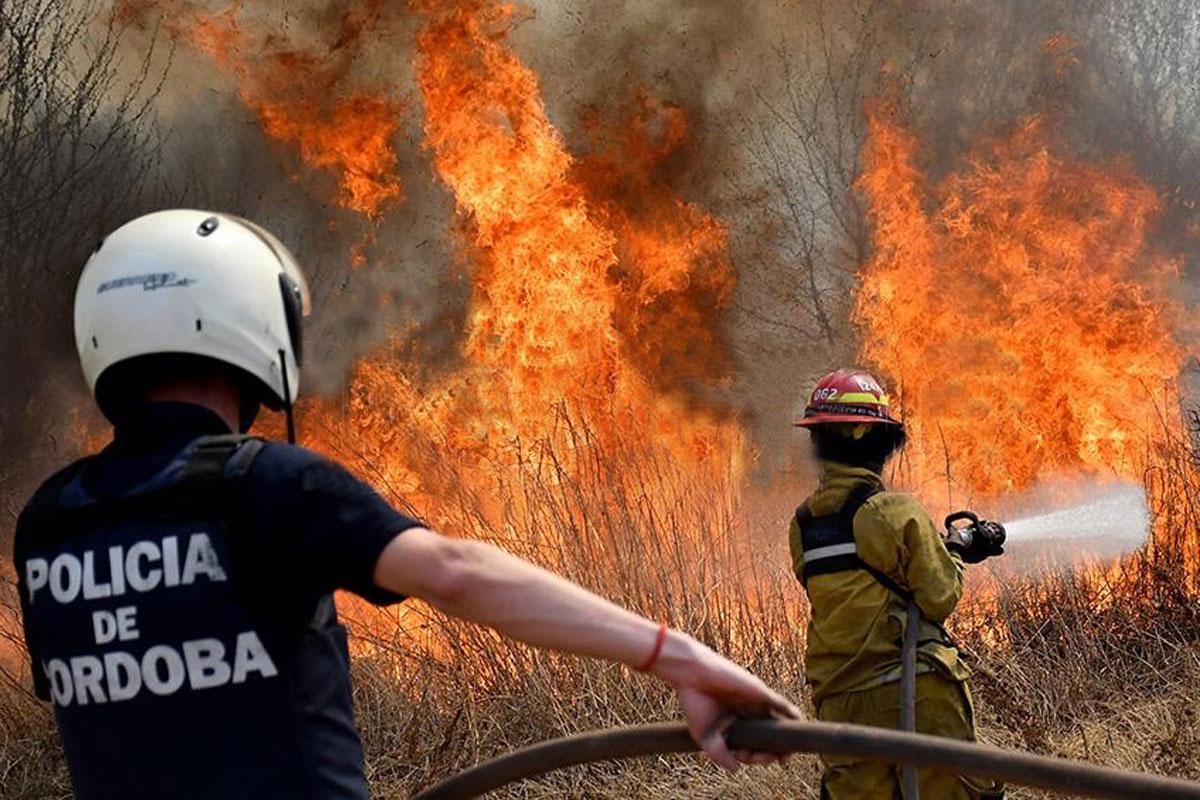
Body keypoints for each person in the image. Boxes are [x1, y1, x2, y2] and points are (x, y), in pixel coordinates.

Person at [13, 209, 800, 800]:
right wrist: (681, 657)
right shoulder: (268, 484)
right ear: (255, 321)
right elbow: (454, 573)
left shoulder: (48, 522)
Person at [789, 368, 1004, 799]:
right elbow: (940, 595)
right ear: (876, 440)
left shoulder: (804, 523)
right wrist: (956, 551)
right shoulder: (895, 511)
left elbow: (851, 586)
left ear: (818, 441)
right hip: (914, 688)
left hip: (841, 702)